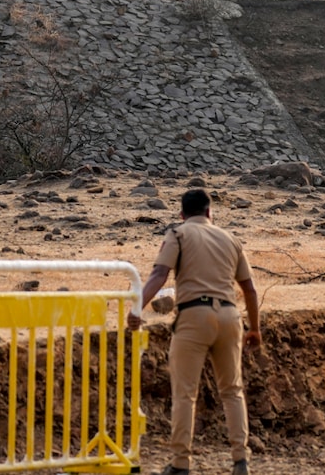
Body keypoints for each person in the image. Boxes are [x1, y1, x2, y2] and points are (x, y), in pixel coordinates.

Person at [128, 189, 260, 475]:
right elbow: (249, 289)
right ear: (210, 212)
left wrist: (137, 309)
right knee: (233, 391)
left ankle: (180, 463)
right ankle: (241, 460)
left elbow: (159, 275)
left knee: (185, 393)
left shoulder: (178, 234)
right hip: (229, 316)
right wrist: (255, 329)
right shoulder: (231, 239)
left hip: (193, 316)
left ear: (182, 214)